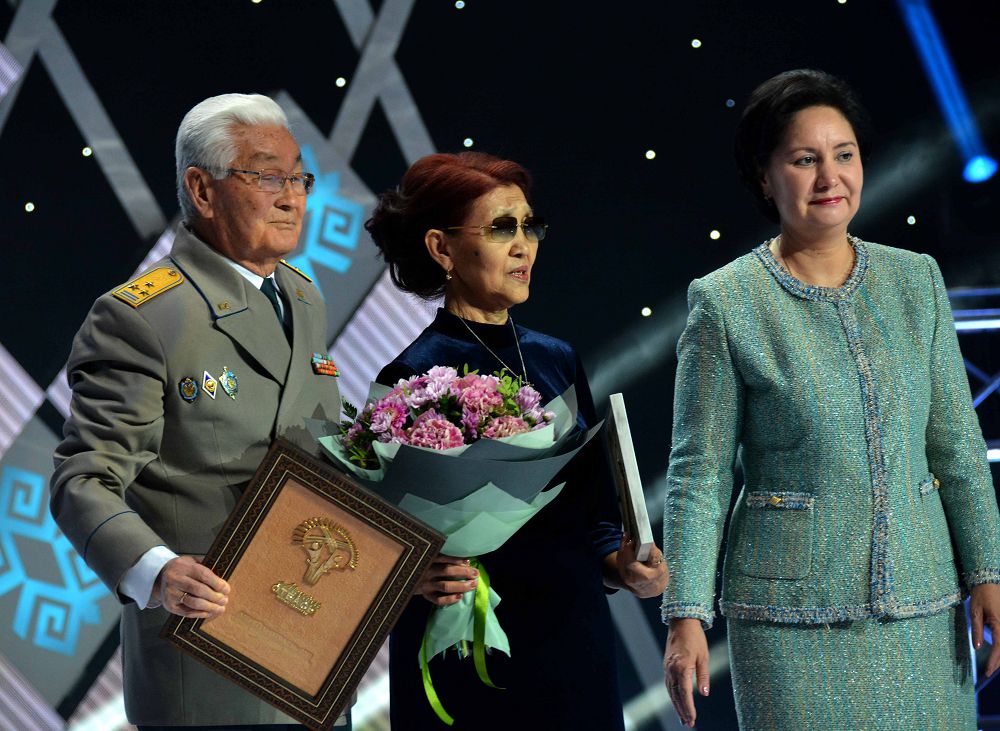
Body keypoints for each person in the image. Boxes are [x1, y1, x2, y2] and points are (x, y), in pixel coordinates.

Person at [659, 68, 1000, 730]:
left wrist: (987, 572)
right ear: (765, 177)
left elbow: (957, 446)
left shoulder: (916, 280)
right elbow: (699, 474)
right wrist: (685, 615)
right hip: (788, 624)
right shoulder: (725, 302)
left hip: (924, 606)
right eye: (804, 160)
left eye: (844, 155)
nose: (829, 177)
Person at [49, 93, 347, 729]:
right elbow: (84, 478)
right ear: (202, 190)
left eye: (299, 178)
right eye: (267, 176)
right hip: (206, 671)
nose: (292, 198)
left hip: (313, 659)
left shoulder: (303, 297)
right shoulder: (140, 317)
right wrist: (156, 573)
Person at [365, 151, 669, 729]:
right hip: (467, 647)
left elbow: (595, 518)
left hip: (572, 644)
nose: (524, 246)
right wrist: (412, 571)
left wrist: (625, 565)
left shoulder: (558, 359)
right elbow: (379, 537)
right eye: (503, 228)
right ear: (442, 248)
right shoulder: (409, 377)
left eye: (530, 227)